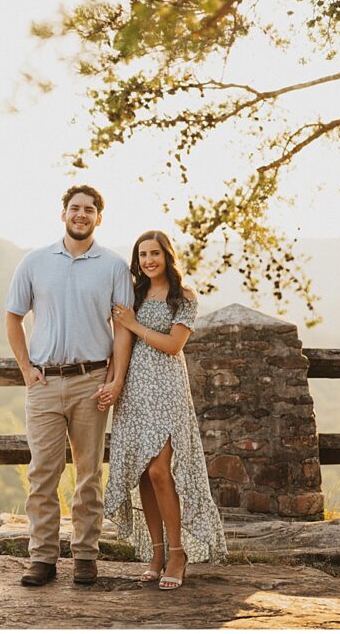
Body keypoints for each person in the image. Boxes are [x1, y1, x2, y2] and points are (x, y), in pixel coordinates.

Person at [4, 185, 134, 586]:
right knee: (42, 472)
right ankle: (42, 558)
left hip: (91, 382)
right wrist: (26, 369)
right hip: (43, 382)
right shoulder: (35, 262)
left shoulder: (113, 266)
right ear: (62, 214)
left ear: (99, 218)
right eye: (75, 208)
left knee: (89, 474)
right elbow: (13, 317)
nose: (81, 214)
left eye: (89, 210)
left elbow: (123, 329)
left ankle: (85, 556)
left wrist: (115, 379)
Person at [99, 230, 227, 590]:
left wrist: (134, 324)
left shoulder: (183, 297)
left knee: (159, 470)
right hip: (134, 389)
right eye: (142, 255)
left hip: (166, 388)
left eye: (154, 253)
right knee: (141, 470)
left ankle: (177, 552)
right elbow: (118, 341)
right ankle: (155, 553)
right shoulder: (134, 293)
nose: (148, 260)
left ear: (167, 256)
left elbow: (173, 345)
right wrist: (112, 381)